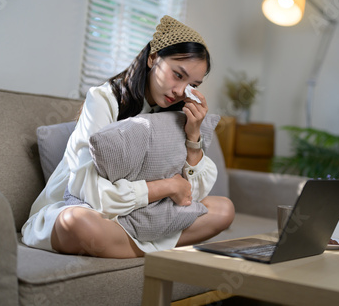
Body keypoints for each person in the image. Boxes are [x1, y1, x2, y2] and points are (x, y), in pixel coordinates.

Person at [21, 15, 235, 258]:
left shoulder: (180, 115)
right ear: (153, 57)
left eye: (191, 84)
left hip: (145, 215)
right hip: (91, 210)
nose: (179, 91)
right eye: (178, 75)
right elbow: (88, 192)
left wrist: (193, 138)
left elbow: (191, 197)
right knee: (78, 222)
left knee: (223, 209)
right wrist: (166, 186)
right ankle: (152, 249)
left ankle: (126, 247)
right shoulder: (103, 99)